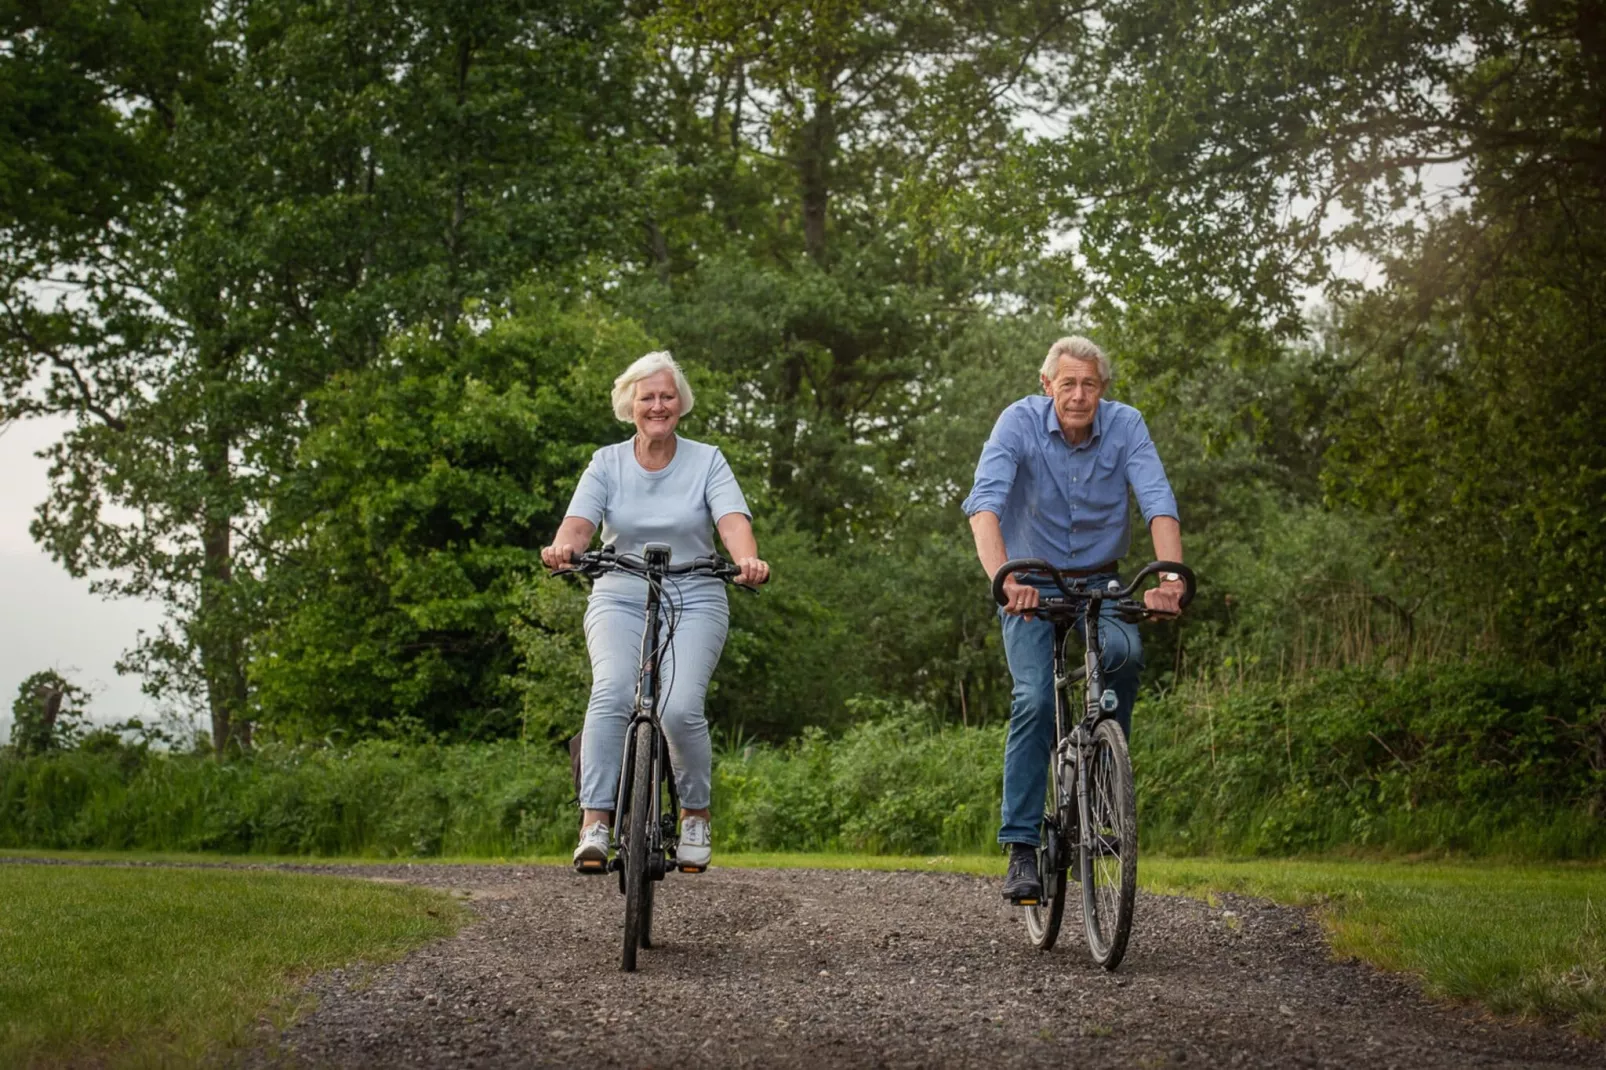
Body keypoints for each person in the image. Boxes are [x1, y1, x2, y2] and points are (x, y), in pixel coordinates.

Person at [960, 335, 1184, 902]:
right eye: (1068, 384)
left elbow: (1158, 501)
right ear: (1047, 386)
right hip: (1030, 580)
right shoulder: (1017, 423)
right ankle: (1020, 846)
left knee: (1124, 653)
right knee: (1035, 699)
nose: (1079, 395)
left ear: (1102, 389)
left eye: (1089, 384)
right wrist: (1005, 580)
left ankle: (1102, 796)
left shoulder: (1127, 425)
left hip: (1100, 577)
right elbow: (984, 506)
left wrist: (1171, 580)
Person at [541, 351, 768, 873]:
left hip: (695, 593)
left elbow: (732, 522)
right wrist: (562, 549)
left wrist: (747, 559)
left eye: (668, 396)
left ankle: (695, 815)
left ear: (680, 404)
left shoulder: (707, 460)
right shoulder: (606, 463)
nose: (659, 405)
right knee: (612, 691)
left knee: (678, 707)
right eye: (648, 397)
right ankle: (595, 821)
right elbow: (578, 526)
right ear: (631, 405)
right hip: (620, 590)